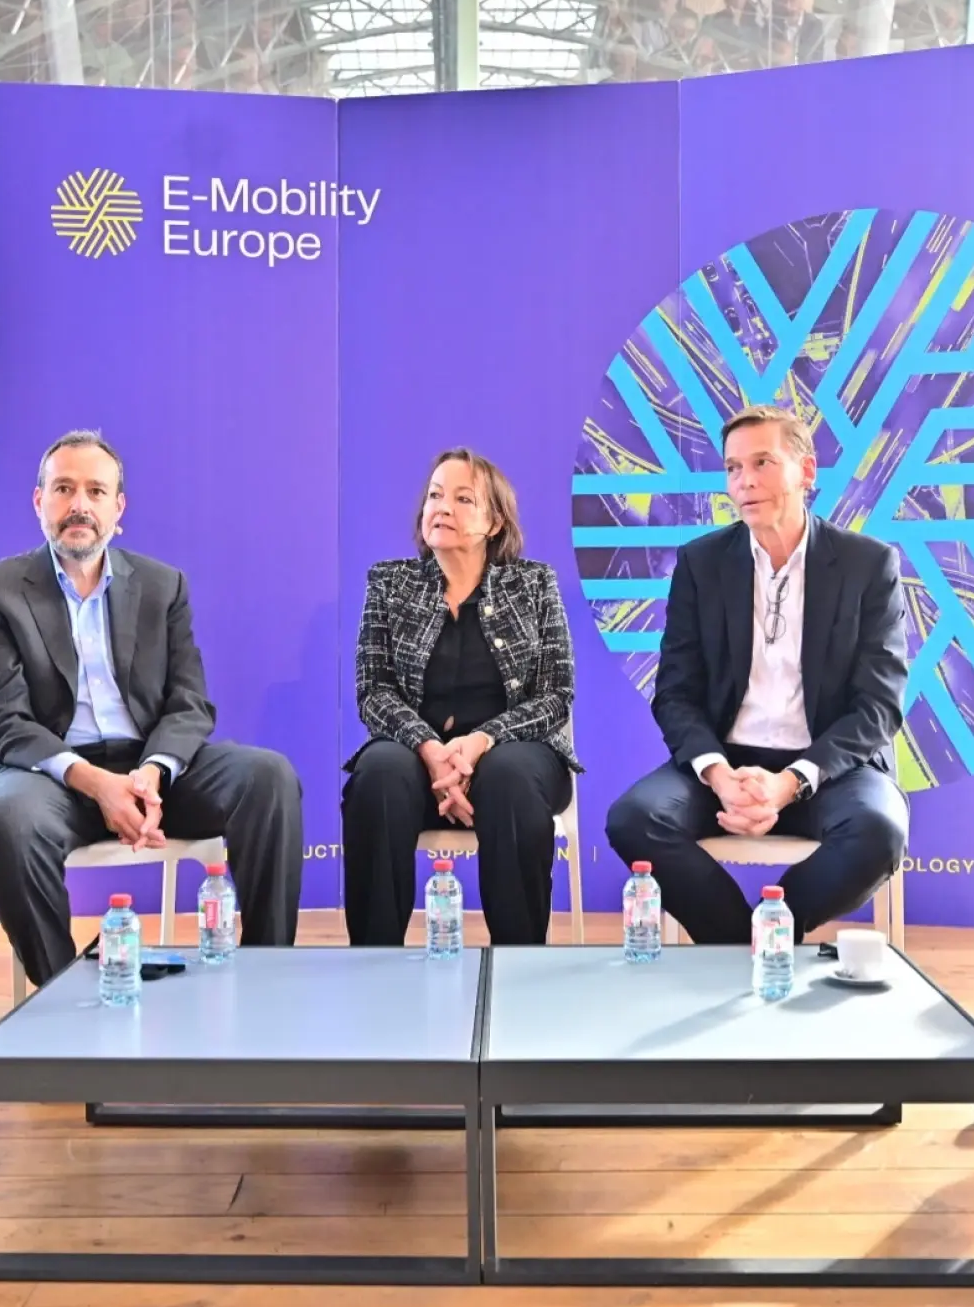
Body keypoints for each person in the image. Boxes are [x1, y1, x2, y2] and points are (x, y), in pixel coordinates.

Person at [0, 430, 303, 983]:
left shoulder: (162, 586)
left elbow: (189, 702)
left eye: (96, 492)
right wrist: (99, 784)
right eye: (64, 489)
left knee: (268, 777)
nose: (79, 506)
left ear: (118, 508)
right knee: (9, 821)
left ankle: (266, 977)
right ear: (39, 501)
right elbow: (3, 722)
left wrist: (148, 773)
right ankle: (62, 998)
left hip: (149, 769)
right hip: (50, 775)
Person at [604, 405, 910, 943]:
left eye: (763, 463)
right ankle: (741, 945)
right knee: (634, 818)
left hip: (827, 769)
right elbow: (675, 693)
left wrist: (789, 784)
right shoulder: (701, 563)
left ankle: (769, 936)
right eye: (733, 468)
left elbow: (878, 708)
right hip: (725, 762)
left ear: (806, 472)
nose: (744, 482)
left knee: (878, 831)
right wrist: (720, 776)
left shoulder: (868, 565)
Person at [344, 450, 579, 947]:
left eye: (462, 498)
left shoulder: (533, 584)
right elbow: (373, 690)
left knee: (509, 778)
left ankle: (520, 963)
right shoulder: (390, 583)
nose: (442, 508)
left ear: (494, 521)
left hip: (512, 757)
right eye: (434, 495)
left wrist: (480, 742)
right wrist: (431, 751)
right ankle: (370, 963)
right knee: (380, 774)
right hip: (414, 759)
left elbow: (557, 693)